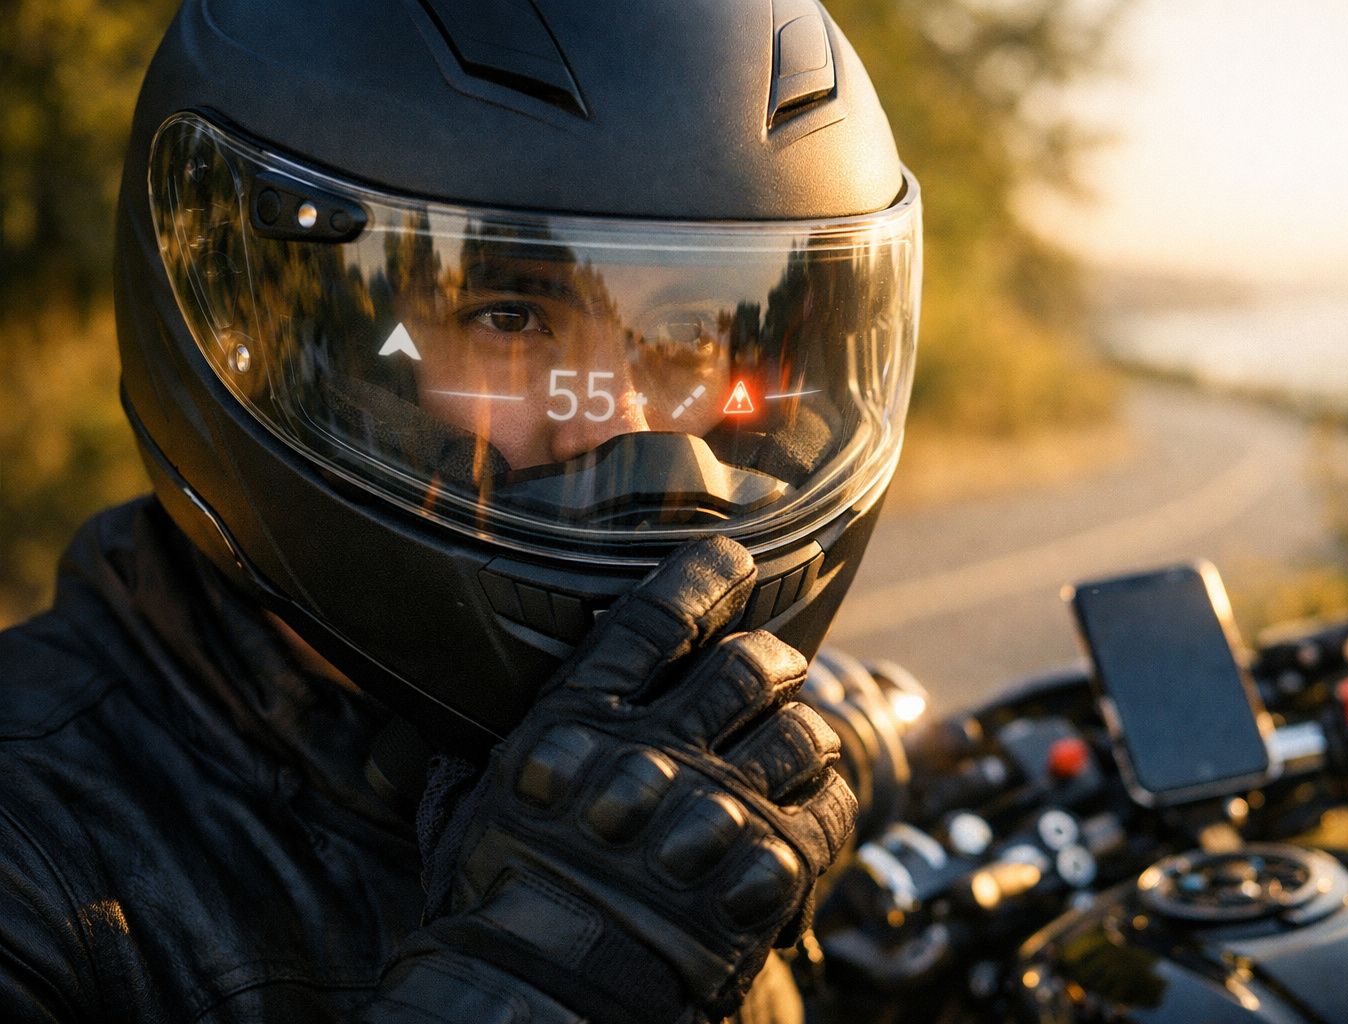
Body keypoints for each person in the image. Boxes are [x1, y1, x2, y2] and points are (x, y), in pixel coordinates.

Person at [0, 0, 922, 1020]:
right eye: (511, 316)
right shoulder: (33, 855)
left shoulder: (705, 775)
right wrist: (537, 976)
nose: (621, 424)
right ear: (263, 333)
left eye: (688, 328)